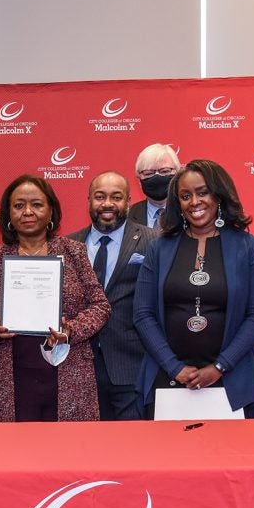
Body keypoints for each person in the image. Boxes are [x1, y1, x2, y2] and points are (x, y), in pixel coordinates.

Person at [133, 159, 254, 417]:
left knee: (231, 457)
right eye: (185, 196)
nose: (194, 202)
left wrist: (220, 366)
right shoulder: (159, 248)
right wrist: (174, 367)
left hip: (232, 377)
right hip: (167, 377)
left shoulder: (248, 247)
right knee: (168, 456)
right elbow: (142, 314)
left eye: (202, 192)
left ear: (218, 195)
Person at [0, 175, 110, 422]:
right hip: (13, 372)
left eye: (37, 204)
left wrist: (71, 329)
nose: (27, 212)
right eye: (18, 206)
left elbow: (100, 306)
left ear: (51, 211)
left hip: (68, 370)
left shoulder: (74, 252)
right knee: (18, 453)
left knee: (68, 452)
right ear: (8, 214)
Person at [69, 171, 158, 419]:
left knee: (131, 449)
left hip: (131, 365)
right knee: (84, 449)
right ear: (88, 200)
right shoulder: (69, 245)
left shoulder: (153, 241)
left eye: (116, 197)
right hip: (77, 366)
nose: (107, 204)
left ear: (129, 201)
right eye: (100, 197)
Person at [128, 143, 180, 230]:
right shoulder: (126, 216)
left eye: (164, 171)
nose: (157, 177)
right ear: (139, 180)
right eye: (149, 173)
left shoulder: (189, 213)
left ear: (177, 174)